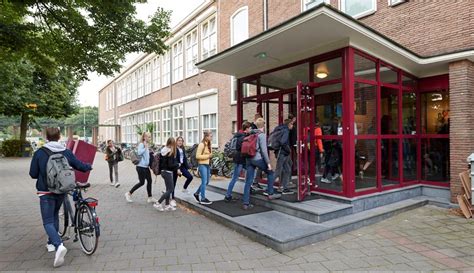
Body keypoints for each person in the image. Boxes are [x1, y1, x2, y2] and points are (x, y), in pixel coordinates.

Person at [29, 127, 92, 268]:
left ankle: (58, 245)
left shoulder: (39, 153)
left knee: (47, 221)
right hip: (61, 191)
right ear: (59, 137)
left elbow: (33, 173)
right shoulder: (65, 151)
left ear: (46, 136)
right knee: (55, 215)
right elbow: (79, 165)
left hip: (45, 191)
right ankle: (51, 243)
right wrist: (89, 166)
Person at [242, 118, 281, 210]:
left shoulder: (251, 133)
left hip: (249, 159)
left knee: (248, 182)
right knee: (270, 173)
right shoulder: (261, 135)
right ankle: (270, 193)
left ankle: (245, 203)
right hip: (257, 159)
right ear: (263, 126)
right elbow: (264, 151)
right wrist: (268, 163)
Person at [125, 132, 157, 203]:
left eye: (150, 137)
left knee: (149, 181)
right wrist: (145, 147)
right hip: (141, 167)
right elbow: (139, 152)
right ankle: (129, 193)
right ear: (144, 137)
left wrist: (150, 153)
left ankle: (150, 197)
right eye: (148, 137)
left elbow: (146, 155)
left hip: (145, 167)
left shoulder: (146, 144)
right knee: (141, 182)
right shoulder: (141, 144)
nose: (149, 138)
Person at [224, 121, 252, 202]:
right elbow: (241, 148)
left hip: (241, 160)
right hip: (239, 160)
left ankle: (249, 188)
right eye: (250, 128)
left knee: (250, 172)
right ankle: (227, 195)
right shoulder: (242, 137)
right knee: (235, 178)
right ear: (246, 129)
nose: (251, 129)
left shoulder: (238, 135)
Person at [154, 137, 180, 211]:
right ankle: (158, 203)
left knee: (168, 189)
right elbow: (170, 165)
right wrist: (178, 165)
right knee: (171, 189)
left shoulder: (163, 150)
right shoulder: (170, 152)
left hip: (163, 172)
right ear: (172, 144)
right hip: (168, 172)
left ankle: (167, 205)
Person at [273, 119, 294, 194]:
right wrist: (288, 150)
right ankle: (269, 188)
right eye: (292, 124)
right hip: (282, 153)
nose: (292, 126)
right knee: (278, 170)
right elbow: (283, 142)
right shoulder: (286, 131)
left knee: (287, 169)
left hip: (281, 153)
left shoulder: (280, 129)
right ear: (288, 124)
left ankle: (285, 188)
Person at [193, 131, 213, 205]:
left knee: (207, 182)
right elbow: (197, 156)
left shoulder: (209, 144)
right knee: (204, 182)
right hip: (202, 165)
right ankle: (203, 198)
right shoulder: (201, 144)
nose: (212, 138)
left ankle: (197, 193)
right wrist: (208, 156)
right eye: (210, 136)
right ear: (206, 137)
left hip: (208, 165)